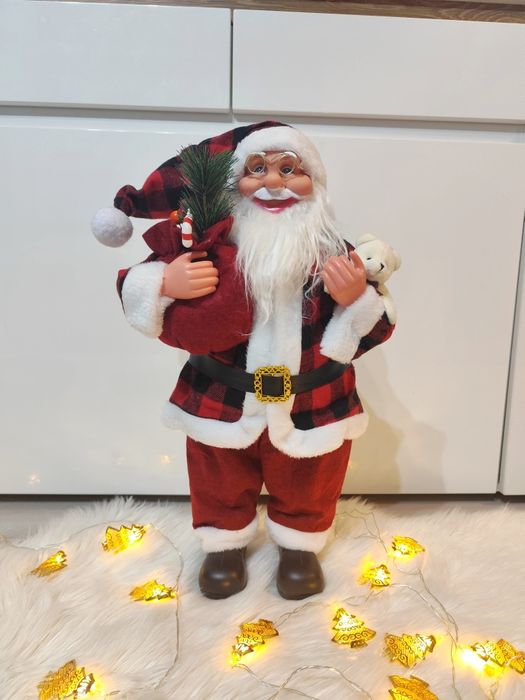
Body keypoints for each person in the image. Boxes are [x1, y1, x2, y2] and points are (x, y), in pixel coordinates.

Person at [92, 121, 395, 600]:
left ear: (314, 182)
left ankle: (300, 545)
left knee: (310, 475)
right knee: (218, 473)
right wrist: (165, 283)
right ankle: (223, 544)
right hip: (221, 396)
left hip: (313, 402)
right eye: (257, 169)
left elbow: (376, 331)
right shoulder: (208, 245)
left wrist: (356, 300)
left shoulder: (338, 255)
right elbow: (136, 287)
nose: (273, 182)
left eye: (289, 169)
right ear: (235, 183)